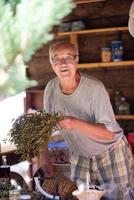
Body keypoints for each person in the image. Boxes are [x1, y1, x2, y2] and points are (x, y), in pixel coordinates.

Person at [40, 41, 134, 199]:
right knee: (81, 197)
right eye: (57, 58)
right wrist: (46, 159)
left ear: (77, 60)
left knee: (120, 197)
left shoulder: (94, 88)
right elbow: (46, 128)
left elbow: (110, 133)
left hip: (110, 153)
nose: (63, 63)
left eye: (68, 57)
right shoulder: (50, 89)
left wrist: (75, 123)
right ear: (51, 62)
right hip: (80, 156)